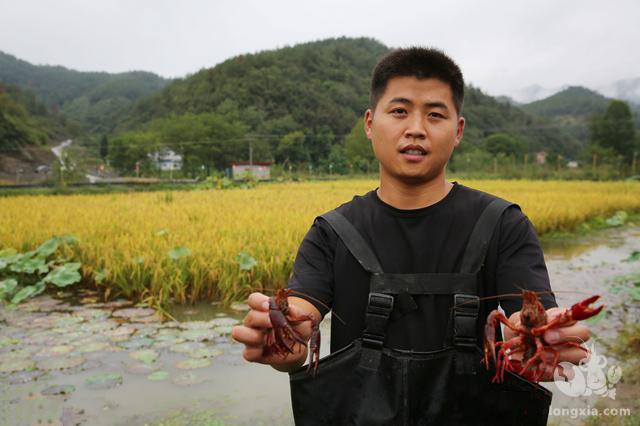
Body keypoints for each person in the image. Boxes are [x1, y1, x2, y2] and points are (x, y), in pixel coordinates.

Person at [231, 47, 593, 425]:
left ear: (458, 130)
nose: (416, 128)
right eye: (399, 111)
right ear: (370, 124)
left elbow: (528, 316)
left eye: (435, 114)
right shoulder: (331, 231)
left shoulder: (504, 224)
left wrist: (543, 337)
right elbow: (300, 315)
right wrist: (285, 345)